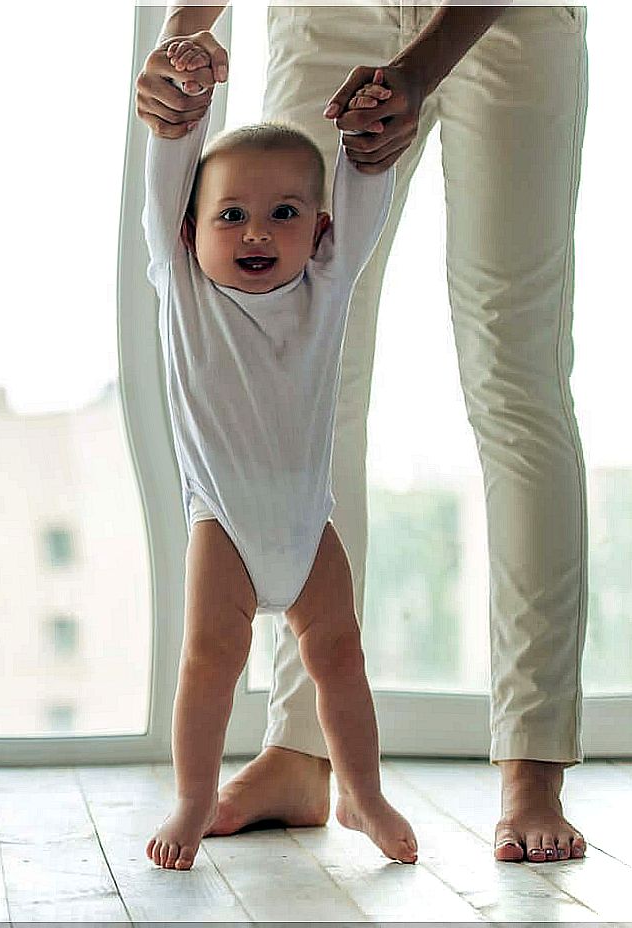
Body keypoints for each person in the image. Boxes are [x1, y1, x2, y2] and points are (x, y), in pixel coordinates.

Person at [135, 3, 588, 864]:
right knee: (312, 365)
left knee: (514, 372)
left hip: (506, 18)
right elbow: (181, 204)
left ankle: (533, 762)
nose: (250, 237)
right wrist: (181, 36)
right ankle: (302, 754)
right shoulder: (183, 260)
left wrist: (421, 70)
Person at [139, 37, 415, 871]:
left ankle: (360, 793)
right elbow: (165, 184)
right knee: (210, 662)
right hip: (223, 525)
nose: (256, 231)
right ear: (192, 232)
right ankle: (193, 797)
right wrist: (185, 103)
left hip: (307, 529)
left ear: (319, 229)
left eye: (285, 214)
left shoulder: (322, 289)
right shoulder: (184, 284)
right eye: (231, 215)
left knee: (341, 655)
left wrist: (366, 140)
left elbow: (365, 197)